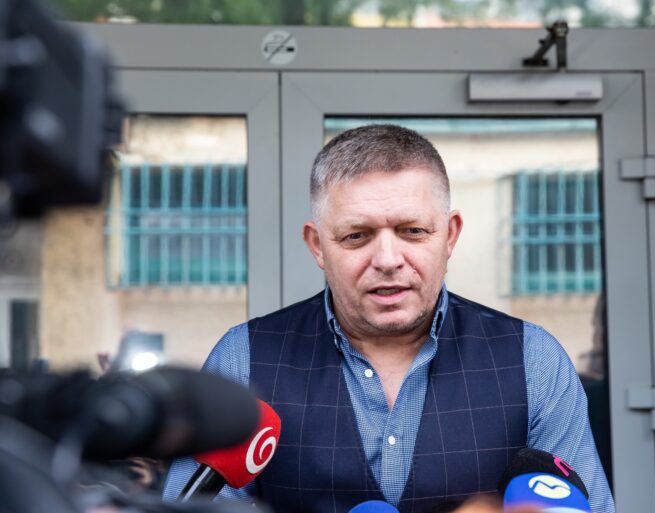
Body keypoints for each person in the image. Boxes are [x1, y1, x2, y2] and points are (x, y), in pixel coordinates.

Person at [162, 124, 614, 513]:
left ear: (450, 235)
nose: (387, 259)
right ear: (318, 245)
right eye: (357, 236)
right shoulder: (243, 358)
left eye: (412, 231)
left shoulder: (533, 360)